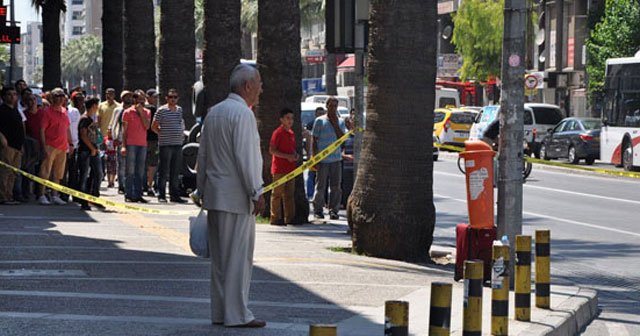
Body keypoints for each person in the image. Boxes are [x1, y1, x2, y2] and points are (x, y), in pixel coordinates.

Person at [196, 63, 266, 328]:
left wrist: (201, 188)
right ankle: (237, 314)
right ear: (247, 86)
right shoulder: (243, 115)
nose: (260, 89)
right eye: (258, 83)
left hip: (215, 195)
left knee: (220, 262)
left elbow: (202, 156)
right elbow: (247, 158)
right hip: (236, 198)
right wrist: (256, 191)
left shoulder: (214, 113)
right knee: (238, 259)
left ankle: (220, 312)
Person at [312, 97, 347, 220]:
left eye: (335, 106)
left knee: (336, 187)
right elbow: (314, 140)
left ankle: (333, 210)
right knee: (321, 186)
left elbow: (342, 140)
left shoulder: (340, 121)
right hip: (322, 160)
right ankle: (318, 209)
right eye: (330, 106)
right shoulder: (319, 121)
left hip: (336, 160)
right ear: (326, 106)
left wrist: (335, 124)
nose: (333, 108)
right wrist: (314, 157)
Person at [37, 88, 72, 206]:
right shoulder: (47, 112)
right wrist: (43, 147)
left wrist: (70, 144)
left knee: (58, 173)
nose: (61, 98)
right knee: (45, 171)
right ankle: (41, 195)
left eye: (62, 96)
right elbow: (41, 130)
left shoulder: (64, 111)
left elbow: (67, 129)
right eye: (58, 96)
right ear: (52, 98)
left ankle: (55, 195)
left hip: (62, 147)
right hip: (50, 145)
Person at [152, 88, 186, 203]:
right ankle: (161, 194)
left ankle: (174, 195)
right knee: (163, 170)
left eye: (175, 97)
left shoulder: (179, 110)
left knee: (175, 171)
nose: (173, 99)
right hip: (165, 145)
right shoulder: (161, 110)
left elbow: (180, 123)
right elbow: (154, 126)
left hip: (177, 144)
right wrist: (162, 133)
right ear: (166, 98)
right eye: (170, 97)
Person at [268, 108, 298, 225]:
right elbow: (272, 150)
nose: (290, 121)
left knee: (289, 195)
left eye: (292, 118)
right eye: (287, 118)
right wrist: (287, 156)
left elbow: (291, 148)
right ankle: (275, 218)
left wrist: (295, 155)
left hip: (291, 169)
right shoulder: (278, 133)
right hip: (279, 169)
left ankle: (290, 218)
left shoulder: (291, 133)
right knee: (277, 195)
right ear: (282, 120)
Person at [121, 90, 151, 203]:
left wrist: (141, 113)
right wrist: (123, 146)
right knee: (130, 170)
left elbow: (147, 126)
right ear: (134, 100)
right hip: (131, 144)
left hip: (142, 144)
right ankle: (129, 194)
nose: (141, 101)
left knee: (140, 171)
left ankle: (138, 194)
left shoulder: (147, 112)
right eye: (139, 99)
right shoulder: (127, 112)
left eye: (143, 99)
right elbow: (124, 131)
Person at [77, 97, 104, 211]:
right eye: (97, 105)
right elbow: (83, 135)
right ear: (93, 106)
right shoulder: (84, 119)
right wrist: (91, 148)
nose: (97, 107)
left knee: (98, 174)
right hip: (85, 151)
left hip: (94, 150)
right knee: (84, 176)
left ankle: (94, 197)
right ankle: (83, 201)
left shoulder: (91, 119)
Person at [0, 87, 25, 205]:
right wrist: (2, 138)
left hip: (17, 146)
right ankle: (3, 196)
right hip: (7, 146)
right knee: (5, 172)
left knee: (13, 173)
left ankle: (9, 196)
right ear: (4, 96)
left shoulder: (16, 111)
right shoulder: (2, 110)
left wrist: (22, 145)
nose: (12, 97)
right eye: (9, 94)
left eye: (14, 94)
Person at [110, 91, 134, 194]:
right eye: (126, 96)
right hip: (120, 140)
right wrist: (114, 137)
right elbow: (113, 124)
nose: (128, 98)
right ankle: (121, 186)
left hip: (132, 140)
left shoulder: (134, 110)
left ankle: (130, 185)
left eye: (130, 96)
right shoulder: (118, 110)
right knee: (121, 164)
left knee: (131, 165)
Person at [305, 106, 325, 199]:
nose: (321, 115)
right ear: (315, 114)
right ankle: (310, 194)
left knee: (322, 177)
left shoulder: (326, 124)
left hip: (324, 155)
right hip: (313, 155)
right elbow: (309, 141)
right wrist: (310, 154)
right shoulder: (310, 124)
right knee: (311, 175)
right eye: (319, 113)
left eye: (322, 113)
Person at [144, 89, 160, 197]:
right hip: (152, 140)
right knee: (152, 164)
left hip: (144, 140)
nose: (156, 99)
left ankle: (146, 185)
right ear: (147, 97)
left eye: (156, 97)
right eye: (154, 97)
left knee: (146, 164)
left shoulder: (141, 108)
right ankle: (149, 186)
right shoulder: (153, 109)